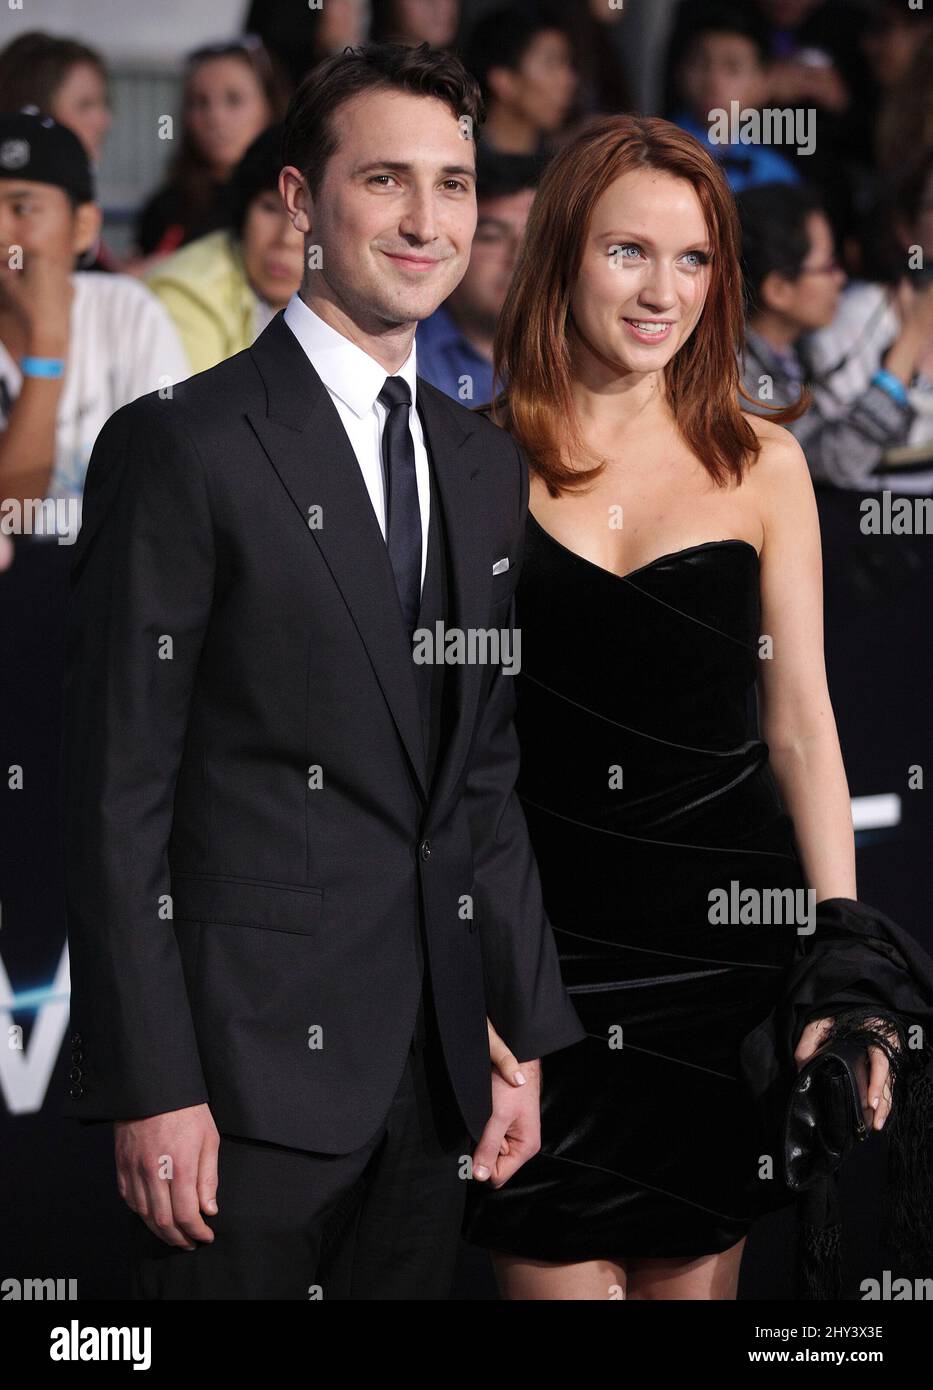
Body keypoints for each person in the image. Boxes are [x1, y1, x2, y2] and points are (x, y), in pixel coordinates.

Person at [62, 40, 585, 1301]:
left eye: (454, 185)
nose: (427, 220)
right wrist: (154, 1081)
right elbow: (114, 794)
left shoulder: (479, 462)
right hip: (235, 1094)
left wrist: (512, 1029)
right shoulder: (180, 445)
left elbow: (479, 777)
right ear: (300, 200)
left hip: (433, 1082)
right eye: (387, 180)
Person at [461, 114, 890, 1300]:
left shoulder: (764, 462)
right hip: (541, 974)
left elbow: (801, 723)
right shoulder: (474, 465)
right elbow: (452, 756)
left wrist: (839, 963)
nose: (664, 292)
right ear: (561, 257)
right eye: (628, 253)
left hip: (719, 965)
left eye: (695, 259)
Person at [0, 111, 188, 542]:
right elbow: (11, 519)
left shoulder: (128, 311)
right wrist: (47, 344)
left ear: (83, 226)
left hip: (120, 583)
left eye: (21, 208)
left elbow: (170, 490)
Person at [736, 181, 931, 491]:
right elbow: (836, 464)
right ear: (779, 290)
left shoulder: (789, 353)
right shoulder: (739, 375)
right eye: (828, 267)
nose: (840, 279)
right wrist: (910, 341)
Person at [145, 125, 304, 375]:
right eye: (270, 208)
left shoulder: (353, 294)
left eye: (307, 214)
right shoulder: (188, 293)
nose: (287, 238)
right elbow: (196, 411)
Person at [134, 35, 290, 262]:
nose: (215, 117)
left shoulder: (304, 197)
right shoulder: (166, 208)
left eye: (234, 99)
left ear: (270, 106)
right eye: (199, 102)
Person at [416, 148, 538, 406]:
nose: (517, 259)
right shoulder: (404, 353)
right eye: (492, 237)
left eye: (535, 240)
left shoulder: (579, 357)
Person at [669, 2, 801, 194]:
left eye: (733, 68)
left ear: (764, 83)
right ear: (679, 72)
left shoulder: (776, 174)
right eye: (700, 63)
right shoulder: (654, 154)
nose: (713, 81)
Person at [464, 5, 578, 174]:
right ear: (503, 80)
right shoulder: (460, 164)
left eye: (566, 64)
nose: (569, 80)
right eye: (551, 63)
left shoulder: (562, 171)